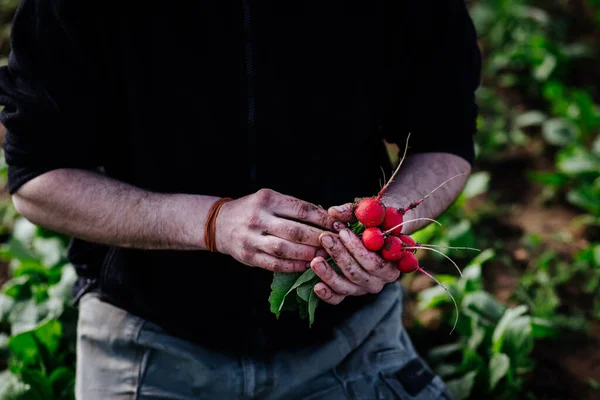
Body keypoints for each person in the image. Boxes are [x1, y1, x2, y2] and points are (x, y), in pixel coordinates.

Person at [0, 0, 481, 399]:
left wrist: (386, 225)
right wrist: (210, 222)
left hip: (350, 338)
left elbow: (444, 139)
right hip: (150, 338)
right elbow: (38, 178)